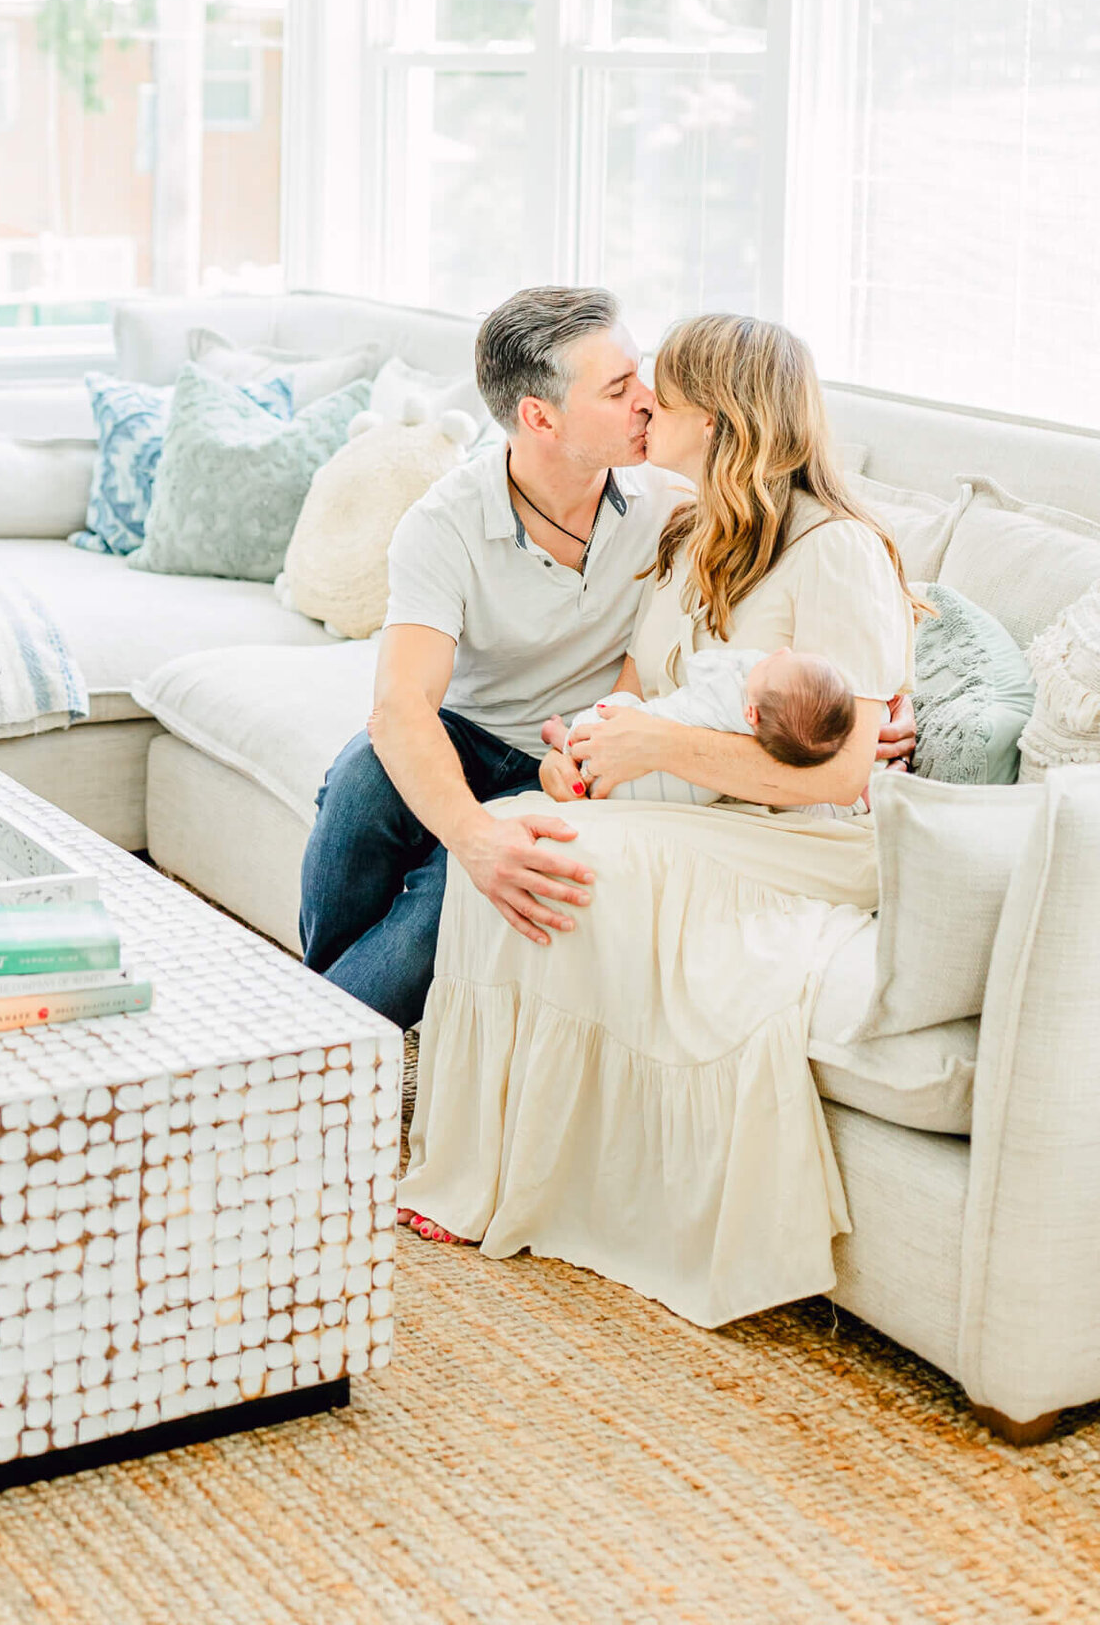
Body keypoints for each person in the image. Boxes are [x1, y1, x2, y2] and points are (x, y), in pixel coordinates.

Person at [395, 314, 923, 1328]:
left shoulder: (839, 552)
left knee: (552, 857)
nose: (644, 408)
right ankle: (486, 1168)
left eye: (662, 395)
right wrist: (582, 754)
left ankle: (554, 1180)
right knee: (512, 832)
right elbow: (632, 694)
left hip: (804, 842)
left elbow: (845, 775)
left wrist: (656, 750)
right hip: (691, 811)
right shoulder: (690, 535)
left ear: (720, 421)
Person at [298, 286, 690, 1031]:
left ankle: (303, 1055)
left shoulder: (673, 498)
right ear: (539, 417)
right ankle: (325, 1046)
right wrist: (474, 835)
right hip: (467, 733)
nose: (649, 401)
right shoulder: (443, 524)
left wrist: (880, 697)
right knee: (360, 782)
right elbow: (403, 706)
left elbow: (808, 545)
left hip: (571, 755)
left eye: (639, 373)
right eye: (619, 388)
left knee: (444, 907)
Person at [539, 645, 857, 807]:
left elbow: (703, 662)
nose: (782, 651)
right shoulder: (773, 744)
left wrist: (749, 662)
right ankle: (565, 742)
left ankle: (561, 736)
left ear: (751, 713)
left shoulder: (727, 694)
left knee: (620, 706)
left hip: (605, 748)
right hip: (649, 796)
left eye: (774, 663)